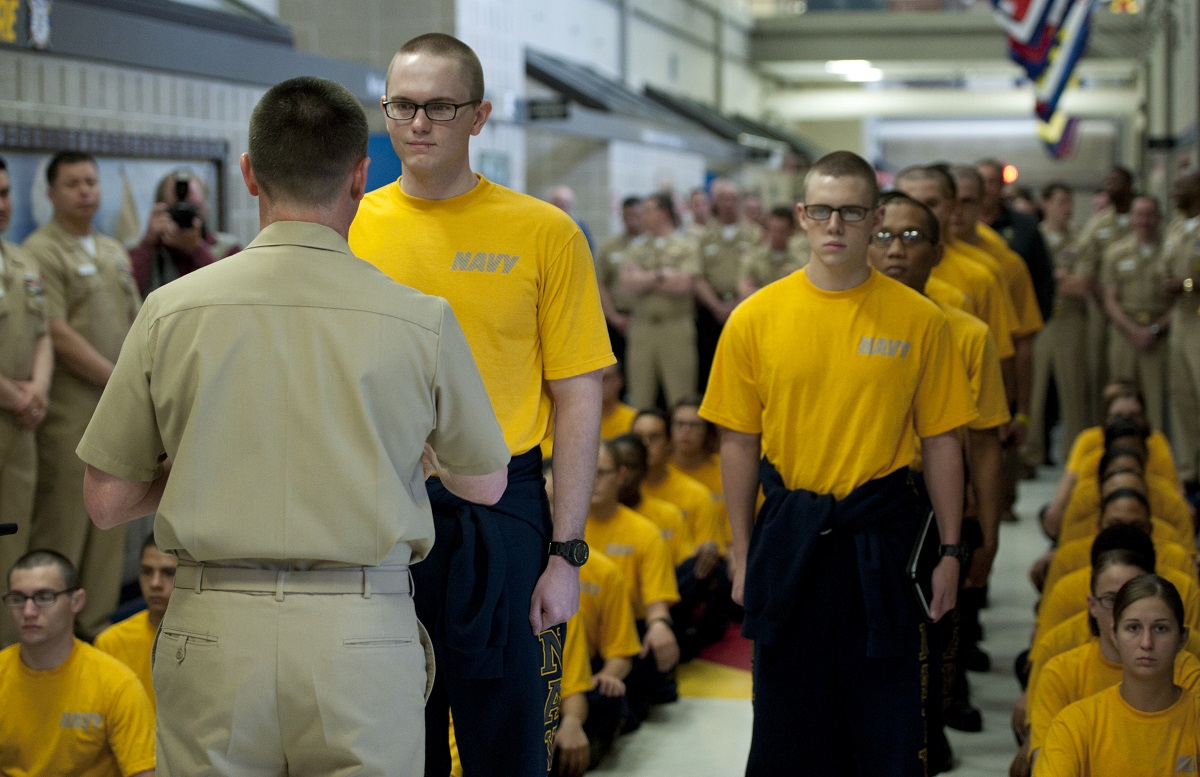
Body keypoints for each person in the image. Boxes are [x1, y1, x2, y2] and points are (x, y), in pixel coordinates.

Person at [77, 75, 511, 775]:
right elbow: (488, 482)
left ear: (249, 173)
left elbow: (104, 500)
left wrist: (201, 468)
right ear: (362, 176)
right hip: (361, 632)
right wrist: (404, 457)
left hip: (213, 628)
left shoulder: (170, 309)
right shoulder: (418, 319)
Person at [347, 33, 613, 777]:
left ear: (480, 116)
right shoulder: (348, 226)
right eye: (402, 104)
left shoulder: (544, 232)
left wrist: (565, 553)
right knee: (397, 736)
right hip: (379, 509)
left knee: (506, 738)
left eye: (439, 106)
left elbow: (577, 394)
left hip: (506, 514)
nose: (418, 123)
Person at [700, 150, 976, 775]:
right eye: (821, 211)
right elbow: (739, 444)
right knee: (787, 727)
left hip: (883, 542)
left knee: (886, 727)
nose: (835, 227)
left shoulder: (919, 321)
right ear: (801, 216)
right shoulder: (755, 319)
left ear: (874, 219)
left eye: (851, 213)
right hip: (790, 542)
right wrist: (743, 554)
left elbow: (941, 443)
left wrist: (952, 553)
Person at [23, 150, 141, 641]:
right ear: (50, 194)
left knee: (109, 530)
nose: (85, 191)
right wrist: (117, 376)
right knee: (66, 527)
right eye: (72, 183)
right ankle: (54, 636)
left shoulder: (113, 250)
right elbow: (55, 330)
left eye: (91, 181)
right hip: (72, 416)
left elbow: (139, 320)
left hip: (117, 414)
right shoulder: (40, 251)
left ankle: (95, 630)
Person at [0, 549, 155, 776]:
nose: (28, 611)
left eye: (44, 597)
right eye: (18, 599)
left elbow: (143, 772)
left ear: (76, 601)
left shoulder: (116, 684)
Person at [1038, 575, 1200, 775]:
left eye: (1160, 628)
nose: (1147, 643)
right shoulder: (1075, 724)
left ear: (1182, 638)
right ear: (1114, 635)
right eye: (1133, 628)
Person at [0, 155, 54, 649]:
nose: (0, 205)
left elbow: (42, 334)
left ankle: (10, 647)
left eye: (3, 193)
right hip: (12, 406)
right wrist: (16, 393)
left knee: (15, 538)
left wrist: (35, 389)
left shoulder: (19, 261)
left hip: (20, 423)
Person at [1027, 182, 1092, 471]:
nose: (1067, 208)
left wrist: (1052, 280)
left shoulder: (1080, 239)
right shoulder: (1035, 237)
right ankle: (1031, 453)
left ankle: (1074, 455)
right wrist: (1057, 279)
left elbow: (1082, 283)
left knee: (1073, 390)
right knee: (1034, 390)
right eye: (1061, 201)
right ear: (1045, 203)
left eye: (1069, 202)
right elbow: (1030, 281)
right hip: (1040, 319)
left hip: (1070, 320)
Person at [620, 192, 700, 408]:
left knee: (681, 397)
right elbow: (628, 283)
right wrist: (661, 275)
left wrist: (644, 278)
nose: (641, 216)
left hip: (675, 327)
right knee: (640, 398)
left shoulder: (686, 245)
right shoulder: (636, 247)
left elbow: (684, 283)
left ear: (663, 213)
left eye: (647, 210)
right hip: (642, 327)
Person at [1100, 195, 1171, 431]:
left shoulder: (1168, 252)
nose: (1144, 220)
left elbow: (1178, 302)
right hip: (1124, 335)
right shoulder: (1116, 252)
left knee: (1156, 401)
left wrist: (1154, 329)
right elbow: (1110, 298)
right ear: (1131, 218)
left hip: (1158, 336)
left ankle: (1156, 458)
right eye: (1139, 214)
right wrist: (1132, 330)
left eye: (1149, 214)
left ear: (1159, 218)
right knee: (1120, 397)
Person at [1076, 167, 1136, 410]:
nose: (1110, 186)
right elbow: (1085, 267)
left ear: (1129, 185)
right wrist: (1104, 300)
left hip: (1135, 308)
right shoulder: (1097, 225)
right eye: (1107, 182)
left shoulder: (1140, 217)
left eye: (1116, 182)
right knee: (1099, 371)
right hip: (1101, 310)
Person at [94, 532, 176, 710]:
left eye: (168, 573)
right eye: (147, 571)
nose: (155, 583)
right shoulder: (111, 642)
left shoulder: (209, 640)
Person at [127, 169, 241, 296]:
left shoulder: (228, 248)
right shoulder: (142, 249)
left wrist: (196, 249)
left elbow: (233, 292)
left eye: (192, 209)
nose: (184, 216)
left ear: (205, 209)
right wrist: (149, 241)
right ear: (161, 209)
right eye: (177, 208)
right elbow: (129, 295)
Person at [694, 178, 760, 389]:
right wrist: (716, 306)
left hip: (745, 308)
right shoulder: (705, 236)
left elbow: (758, 275)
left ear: (739, 201)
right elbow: (698, 275)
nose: (728, 203)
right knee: (710, 370)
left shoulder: (754, 234)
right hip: (712, 311)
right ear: (715, 202)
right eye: (723, 199)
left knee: (743, 368)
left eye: (733, 198)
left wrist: (737, 303)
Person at [1162, 168, 1200, 495]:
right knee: (1182, 397)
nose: (1174, 191)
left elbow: (1188, 278)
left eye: (1179, 185)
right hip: (1180, 320)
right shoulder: (1175, 228)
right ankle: (1189, 473)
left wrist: (1186, 284)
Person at [593, 197, 645, 363]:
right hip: (617, 317)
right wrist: (614, 317)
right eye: (627, 216)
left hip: (645, 319)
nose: (631, 220)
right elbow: (599, 283)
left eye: (636, 215)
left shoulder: (653, 246)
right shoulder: (610, 246)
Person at [737, 204, 808, 300]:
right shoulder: (754, 257)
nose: (776, 235)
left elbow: (803, 293)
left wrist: (760, 291)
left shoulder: (800, 262)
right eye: (773, 229)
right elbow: (744, 289)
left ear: (791, 232)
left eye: (782, 231)